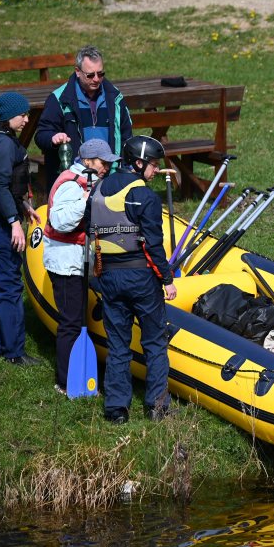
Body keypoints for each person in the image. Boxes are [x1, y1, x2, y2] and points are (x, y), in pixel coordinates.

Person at [89, 135, 177, 424]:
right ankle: (157, 406)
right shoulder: (144, 196)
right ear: (138, 163)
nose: (155, 171)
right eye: (152, 165)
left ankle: (116, 409)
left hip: (108, 277)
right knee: (154, 342)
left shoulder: (98, 188)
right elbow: (152, 246)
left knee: (118, 344)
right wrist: (167, 280)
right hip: (140, 278)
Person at [43, 138, 120, 395]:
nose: (107, 167)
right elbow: (59, 220)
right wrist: (85, 201)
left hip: (79, 261)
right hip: (65, 263)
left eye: (109, 163)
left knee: (77, 318)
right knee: (71, 323)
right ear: (87, 161)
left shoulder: (91, 182)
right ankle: (65, 382)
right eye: (102, 162)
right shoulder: (71, 183)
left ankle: (76, 374)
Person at [0, 92, 42, 366]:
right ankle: (14, 352)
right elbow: (0, 185)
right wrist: (14, 222)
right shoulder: (2, 145)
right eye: (22, 114)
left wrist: (24, 205)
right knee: (9, 286)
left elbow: (1, 184)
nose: (26, 119)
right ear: (8, 115)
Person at [35, 45, 133, 191]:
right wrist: (53, 138)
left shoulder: (115, 97)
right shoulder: (59, 99)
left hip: (110, 177)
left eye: (100, 74)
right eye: (90, 75)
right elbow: (41, 135)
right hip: (74, 180)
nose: (96, 79)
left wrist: (126, 168)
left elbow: (127, 135)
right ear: (77, 72)